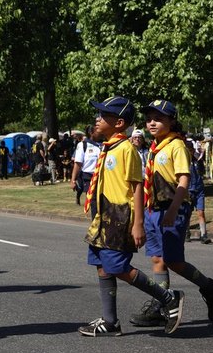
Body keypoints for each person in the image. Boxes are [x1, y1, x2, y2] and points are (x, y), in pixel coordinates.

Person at [78, 96, 184, 337]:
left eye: (103, 116)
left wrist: (138, 224)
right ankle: (110, 321)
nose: (97, 119)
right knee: (101, 265)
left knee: (118, 267)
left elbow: (138, 186)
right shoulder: (108, 147)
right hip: (103, 216)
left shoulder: (127, 150)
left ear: (119, 123)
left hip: (120, 217)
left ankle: (167, 298)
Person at [129, 100, 213, 329]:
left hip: (173, 208)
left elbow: (183, 180)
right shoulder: (156, 147)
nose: (152, 122)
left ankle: (212, 288)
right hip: (155, 209)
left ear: (172, 121)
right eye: (149, 118)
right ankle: (161, 304)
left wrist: (173, 210)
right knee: (157, 259)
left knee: (173, 260)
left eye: (158, 118)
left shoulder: (176, 145)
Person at [184, 139, 211, 244]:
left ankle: (204, 235)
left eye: (191, 150)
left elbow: (202, 172)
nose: (190, 152)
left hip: (199, 189)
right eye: (188, 150)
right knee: (187, 213)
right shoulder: (183, 162)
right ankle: (186, 232)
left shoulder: (197, 160)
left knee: (201, 212)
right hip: (188, 190)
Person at [71, 125, 102, 212]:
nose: (100, 132)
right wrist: (73, 180)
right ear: (91, 133)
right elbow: (77, 164)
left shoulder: (103, 145)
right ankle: (95, 224)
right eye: (97, 130)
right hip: (89, 178)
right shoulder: (82, 145)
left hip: (102, 177)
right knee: (94, 202)